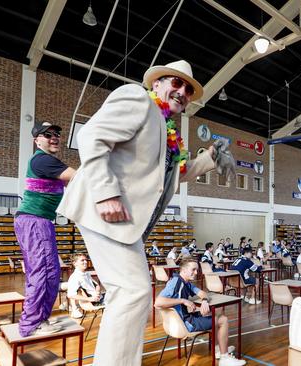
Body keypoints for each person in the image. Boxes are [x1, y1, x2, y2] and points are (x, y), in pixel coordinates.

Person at [57, 60, 236, 365]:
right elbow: (91, 136)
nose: (181, 91)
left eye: (187, 89)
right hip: (105, 211)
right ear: (156, 84)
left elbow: (177, 173)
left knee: (130, 294)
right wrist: (106, 192)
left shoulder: (166, 130)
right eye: (175, 83)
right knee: (134, 291)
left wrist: (212, 157)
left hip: (128, 225)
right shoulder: (139, 100)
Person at [14, 121, 76, 337]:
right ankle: (30, 324)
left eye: (56, 134)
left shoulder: (46, 162)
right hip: (35, 221)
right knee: (44, 272)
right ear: (36, 140)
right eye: (47, 135)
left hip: (38, 221)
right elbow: (80, 178)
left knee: (49, 272)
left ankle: (39, 318)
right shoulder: (43, 160)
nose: (54, 138)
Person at [155, 259, 245, 366]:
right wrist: (183, 300)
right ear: (183, 270)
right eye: (193, 270)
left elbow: (203, 293)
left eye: (197, 270)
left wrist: (204, 301)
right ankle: (224, 358)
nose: (196, 273)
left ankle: (218, 349)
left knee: (213, 316)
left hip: (180, 321)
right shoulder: (176, 283)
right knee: (223, 320)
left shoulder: (185, 282)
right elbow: (158, 302)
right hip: (185, 324)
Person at [66, 253, 104, 319]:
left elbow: (97, 285)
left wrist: (97, 292)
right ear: (75, 263)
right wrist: (89, 299)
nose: (85, 262)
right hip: (93, 302)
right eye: (82, 260)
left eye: (86, 260)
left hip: (99, 297)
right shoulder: (75, 277)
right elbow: (70, 295)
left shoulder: (86, 274)